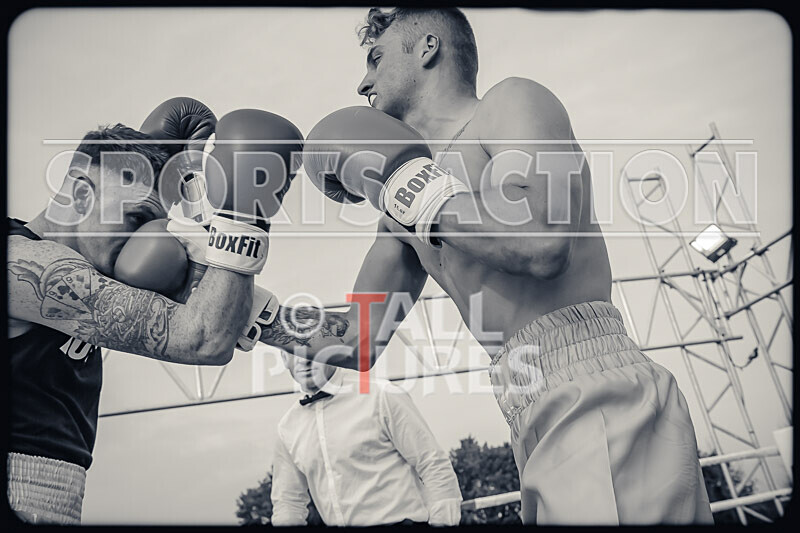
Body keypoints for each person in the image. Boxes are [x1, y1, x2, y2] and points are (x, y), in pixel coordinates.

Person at [253, 8, 714, 525]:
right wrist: (249, 305)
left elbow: (542, 241)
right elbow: (357, 341)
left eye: (376, 59)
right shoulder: (400, 210)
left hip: (600, 389)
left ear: (427, 47)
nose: (363, 83)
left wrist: (411, 190)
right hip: (525, 408)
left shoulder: (510, 103)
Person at [5, 97, 293, 524]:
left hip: (57, 495)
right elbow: (202, 339)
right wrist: (243, 218)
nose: (144, 240)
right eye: (136, 217)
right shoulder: (22, 263)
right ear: (81, 194)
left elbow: (343, 343)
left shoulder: (99, 275)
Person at [271, 354, 462, 526]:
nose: (303, 359)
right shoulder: (288, 427)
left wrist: (444, 521)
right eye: (292, 351)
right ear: (284, 358)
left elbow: (432, 463)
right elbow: (288, 503)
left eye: (311, 348)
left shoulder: (381, 394)